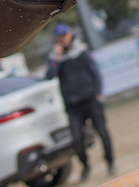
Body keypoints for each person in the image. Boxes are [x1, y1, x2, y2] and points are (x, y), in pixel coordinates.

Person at [46, 24, 115, 181]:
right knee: (76, 140)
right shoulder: (55, 58)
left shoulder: (81, 50)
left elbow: (95, 73)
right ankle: (85, 166)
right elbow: (49, 76)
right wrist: (56, 58)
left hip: (91, 100)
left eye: (64, 35)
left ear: (70, 35)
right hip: (73, 106)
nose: (63, 40)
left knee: (103, 133)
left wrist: (98, 94)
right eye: (59, 37)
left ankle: (110, 162)